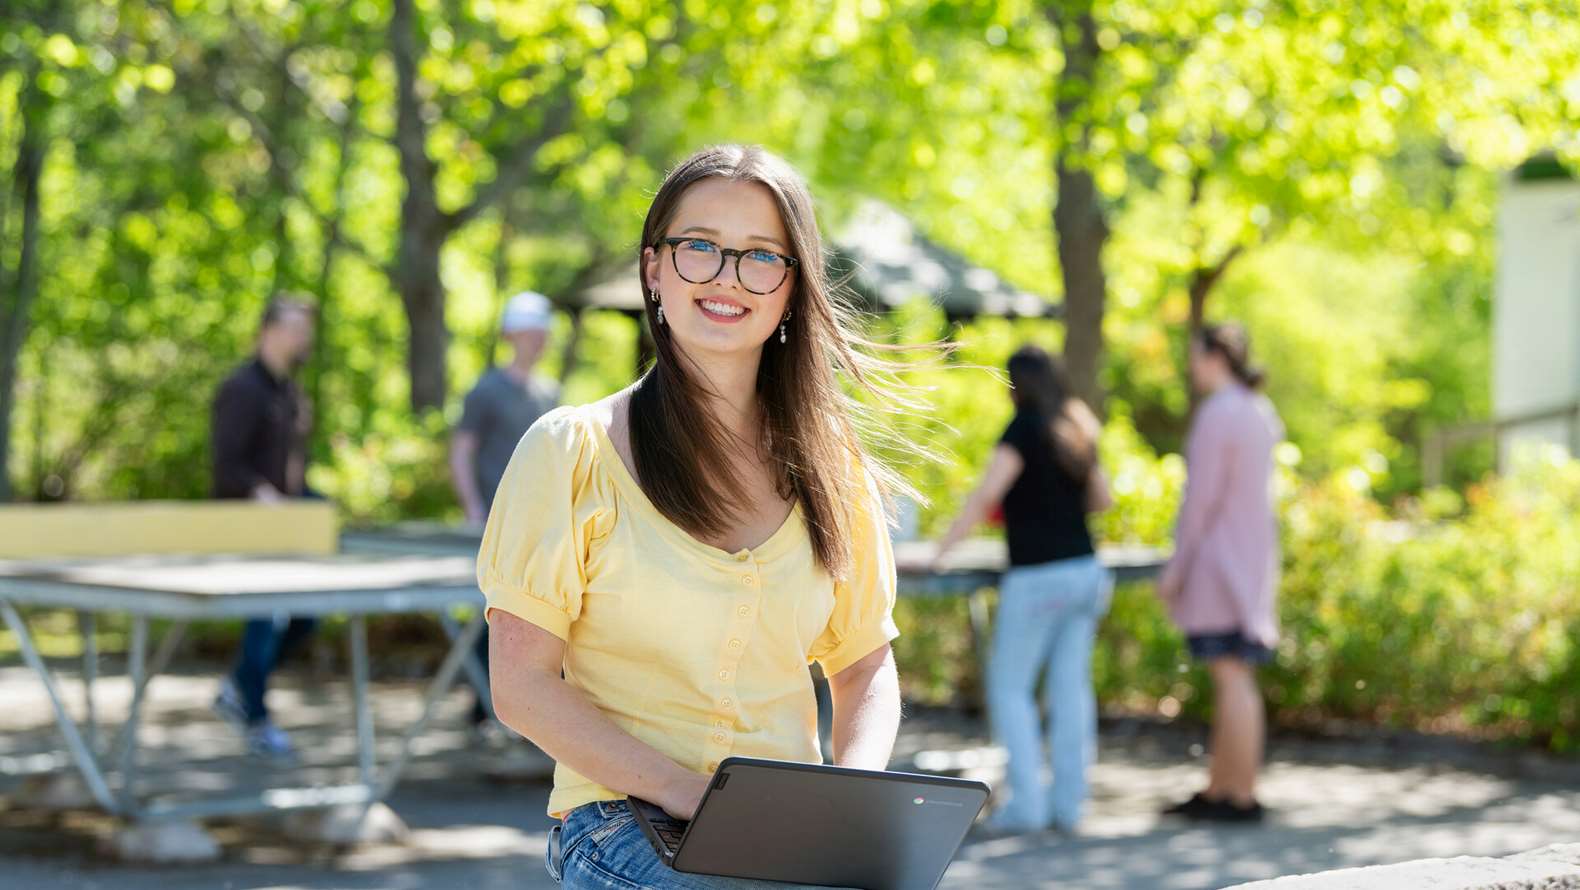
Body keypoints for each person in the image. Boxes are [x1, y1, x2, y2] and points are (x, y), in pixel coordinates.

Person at [478, 144, 911, 889]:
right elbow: (521, 686)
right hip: (622, 819)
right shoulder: (570, 451)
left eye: (759, 256)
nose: (725, 277)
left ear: (791, 286)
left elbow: (864, 662)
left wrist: (855, 806)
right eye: (699, 247)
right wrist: (693, 798)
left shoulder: (835, 471)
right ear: (655, 269)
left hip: (785, 831)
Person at [921, 345, 1113, 835]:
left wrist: (941, 551)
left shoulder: (1023, 428)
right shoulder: (1076, 425)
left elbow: (988, 492)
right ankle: (1070, 806)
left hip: (1038, 576)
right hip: (1084, 570)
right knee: (1071, 691)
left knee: (1011, 689)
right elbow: (1103, 499)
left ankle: (1026, 805)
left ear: (1015, 385)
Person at [1158, 322, 1283, 822]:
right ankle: (1226, 788)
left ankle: (1237, 794)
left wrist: (1177, 567)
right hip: (1251, 559)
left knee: (1230, 677)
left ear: (1216, 357)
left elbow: (1200, 502)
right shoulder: (1258, 410)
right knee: (1236, 676)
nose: (1191, 365)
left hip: (1218, 560)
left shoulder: (1219, 413)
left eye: (1196, 355)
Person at [210, 294, 318, 761]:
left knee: (304, 618)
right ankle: (255, 716)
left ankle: (237, 686)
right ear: (268, 330)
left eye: (305, 328)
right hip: (245, 528)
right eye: (294, 326)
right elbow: (226, 465)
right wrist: (263, 496)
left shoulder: (290, 393)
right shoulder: (241, 389)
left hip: (287, 530)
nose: (302, 337)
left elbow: (291, 468)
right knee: (266, 617)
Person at [450, 290, 560, 734]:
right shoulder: (486, 390)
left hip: (537, 527)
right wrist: (473, 506)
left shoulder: (548, 393)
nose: (538, 341)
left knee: (532, 616)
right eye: (531, 332)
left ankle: (495, 705)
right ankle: (485, 699)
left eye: (543, 333)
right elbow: (461, 451)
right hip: (495, 523)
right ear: (512, 335)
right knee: (493, 612)